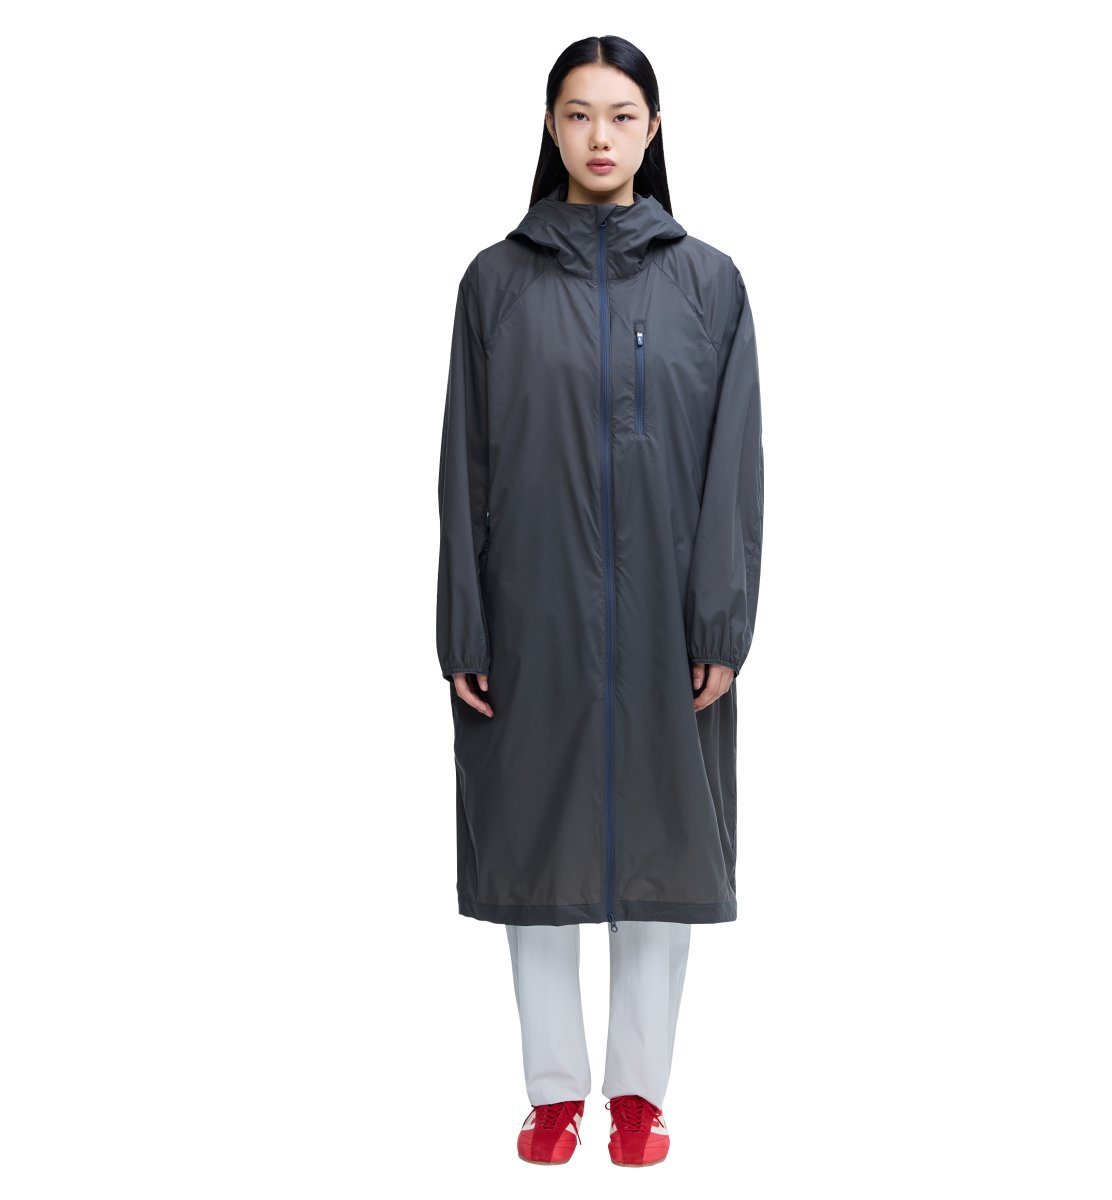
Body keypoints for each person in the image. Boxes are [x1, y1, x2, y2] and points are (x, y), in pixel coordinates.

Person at [435, 34, 765, 1167]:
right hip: (532, 616)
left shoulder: (709, 284)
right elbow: (464, 464)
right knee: (537, 852)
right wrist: (464, 625)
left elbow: (734, 466)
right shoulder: (495, 283)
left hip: (670, 623)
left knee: (661, 855)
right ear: (550, 127)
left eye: (622, 116)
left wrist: (721, 623)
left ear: (654, 129)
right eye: (578, 115)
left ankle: (638, 1094)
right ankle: (553, 1092)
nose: (600, 137)